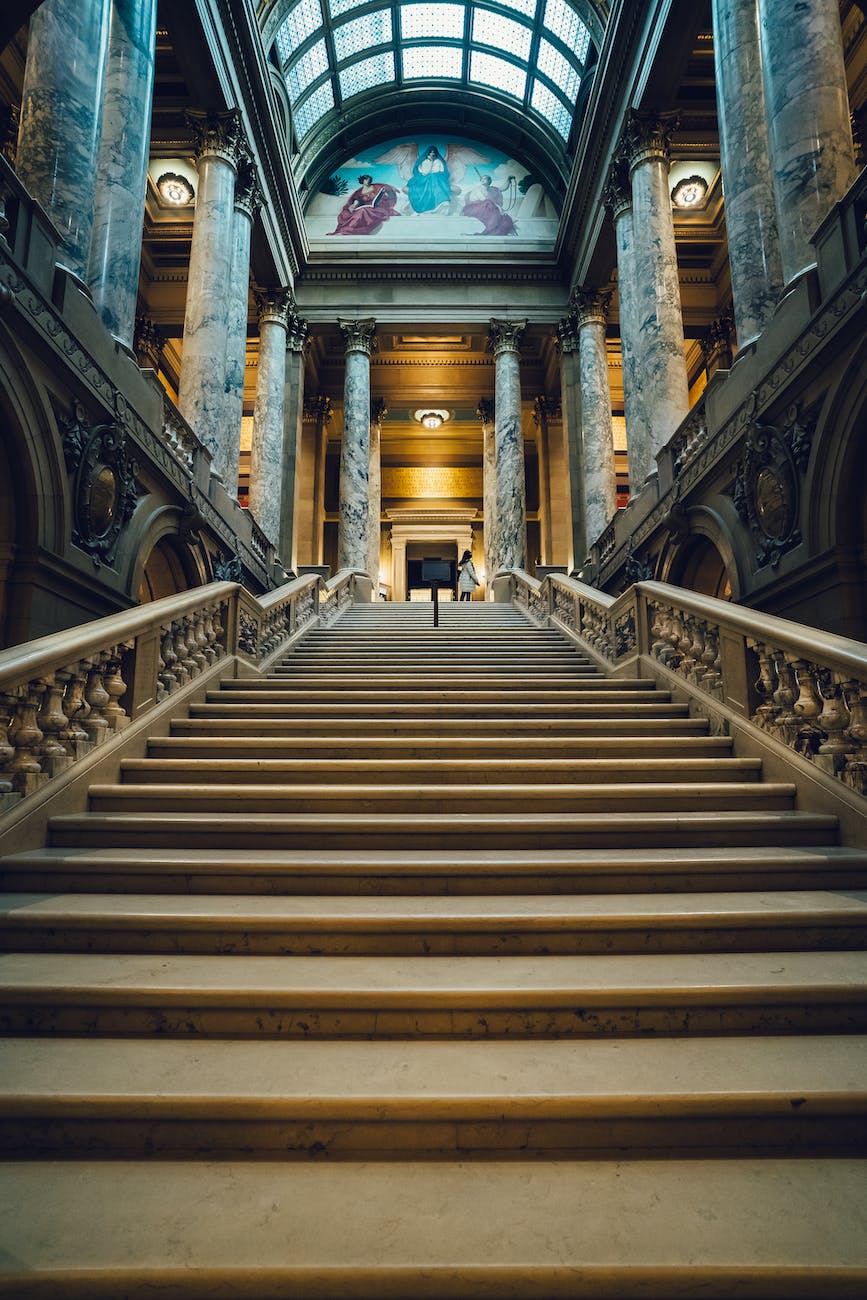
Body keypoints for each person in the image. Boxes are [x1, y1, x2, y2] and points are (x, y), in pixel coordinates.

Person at [329, 175, 399, 235]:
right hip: (364, 208)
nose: (368, 181)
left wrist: (390, 190)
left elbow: (386, 188)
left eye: (369, 180)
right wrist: (351, 206)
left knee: (362, 211)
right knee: (350, 213)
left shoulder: (376, 187)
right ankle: (344, 230)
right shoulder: (359, 191)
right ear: (362, 181)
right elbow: (354, 200)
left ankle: (347, 230)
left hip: (377, 209)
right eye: (366, 180)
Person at [406, 146, 452, 214]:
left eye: (433, 152)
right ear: (428, 154)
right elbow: (425, 172)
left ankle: (442, 203)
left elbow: (442, 171)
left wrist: (435, 172)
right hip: (425, 179)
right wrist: (430, 163)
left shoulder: (438, 161)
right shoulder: (425, 161)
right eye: (430, 152)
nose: (432, 154)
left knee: (438, 183)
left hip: (437, 180)